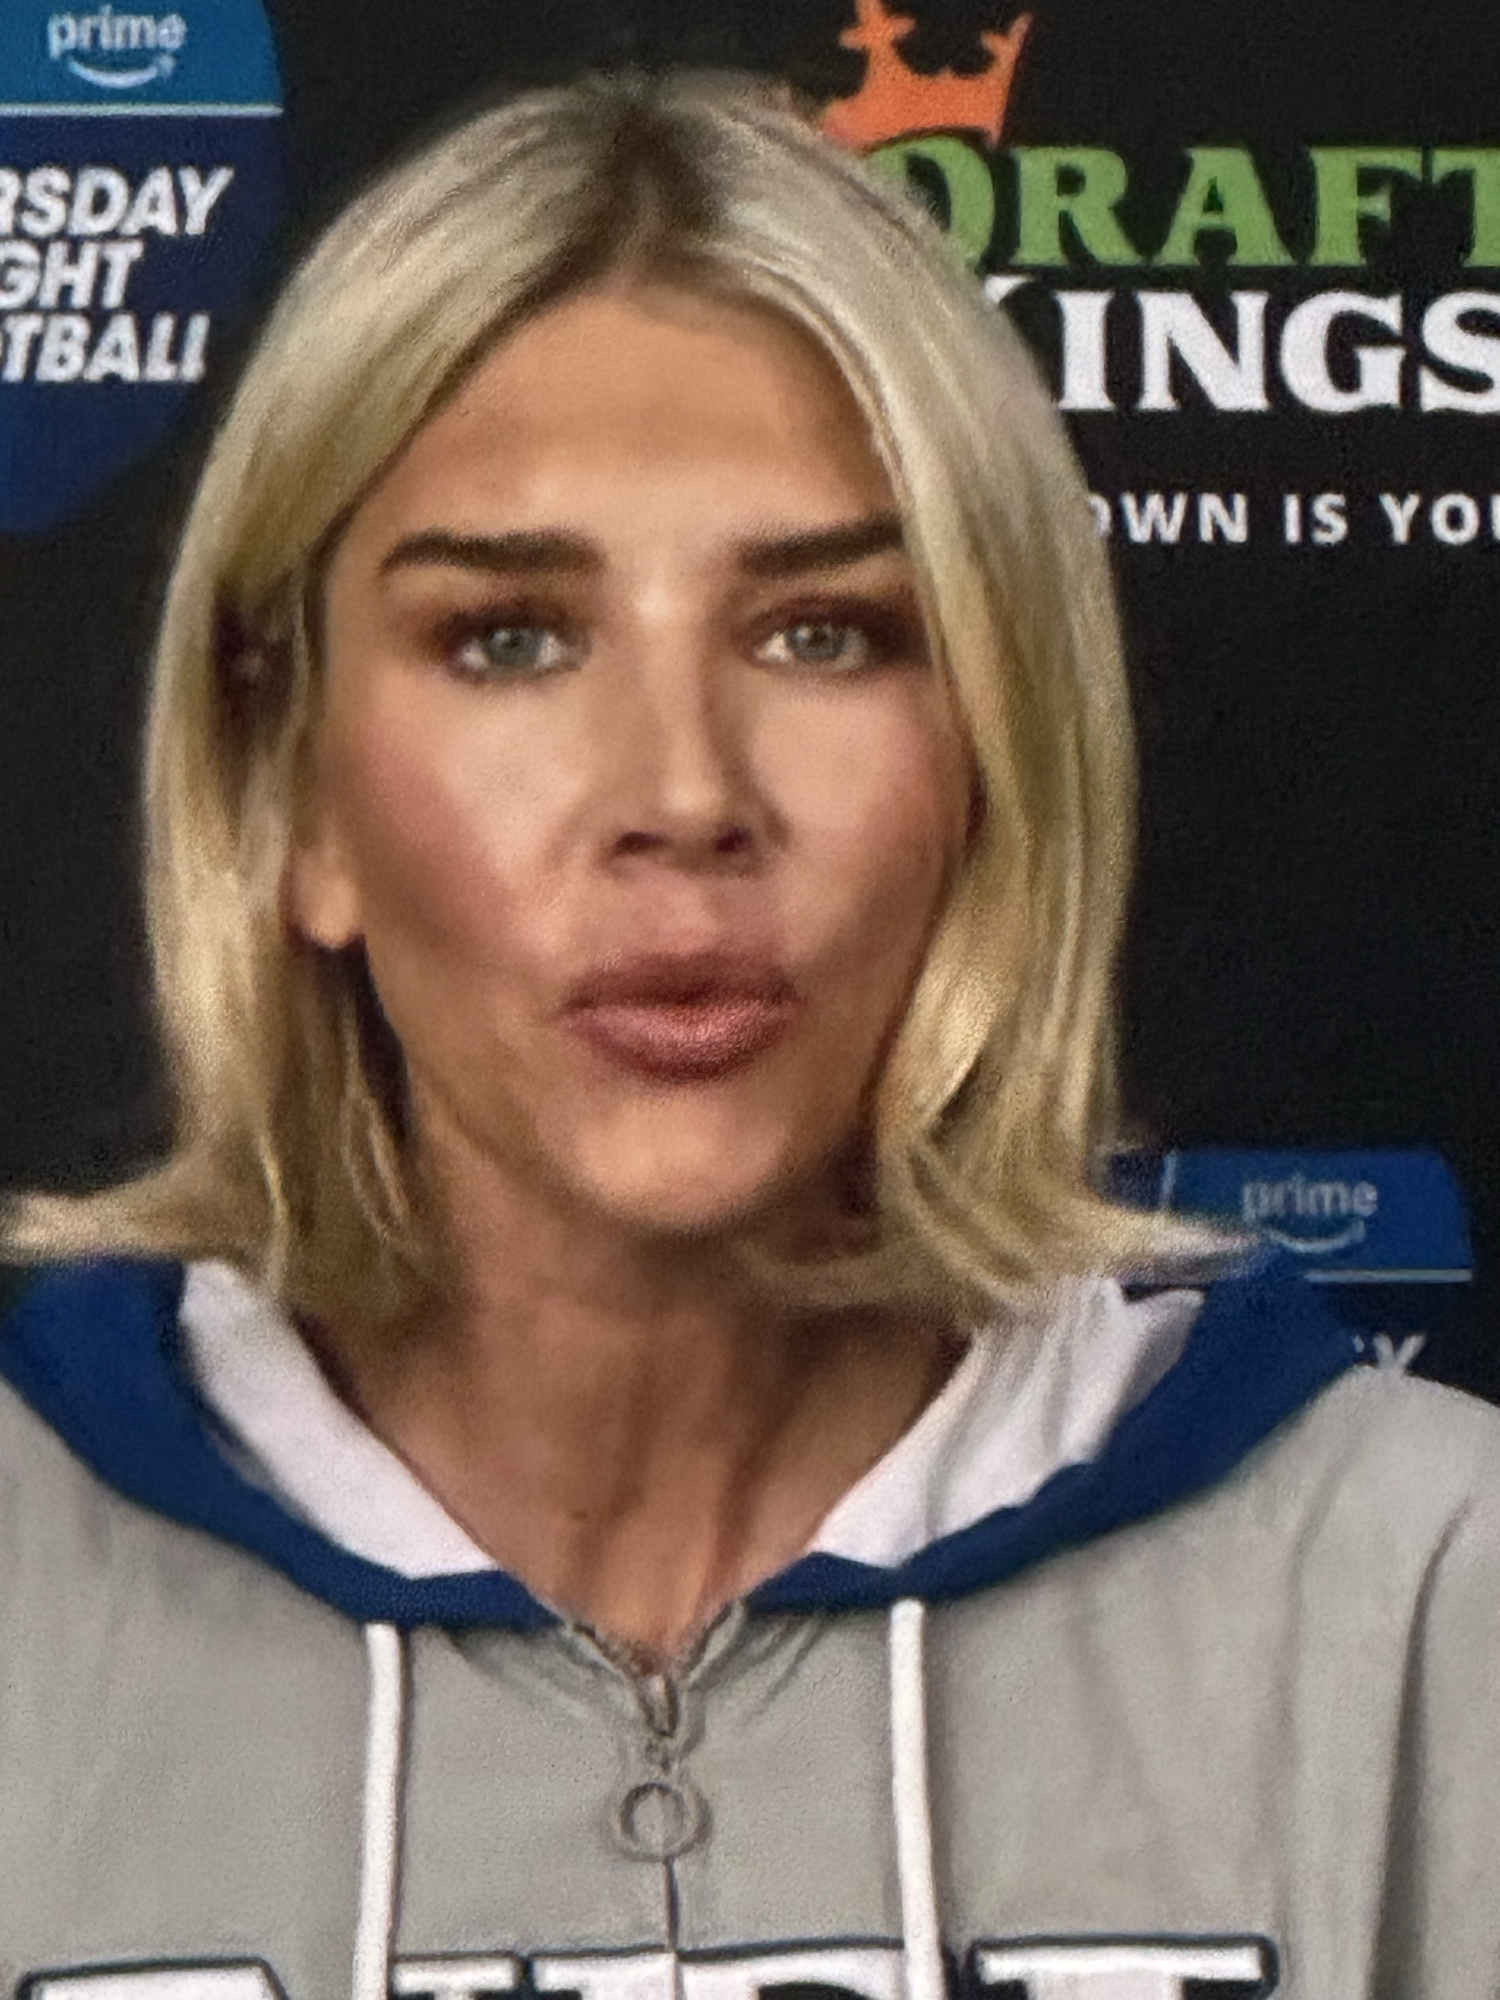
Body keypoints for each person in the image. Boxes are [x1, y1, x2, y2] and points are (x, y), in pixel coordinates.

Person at [1, 71, 1497, 2000]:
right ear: (286, 791)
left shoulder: (1427, 1584)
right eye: (511, 639)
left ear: (1000, 761)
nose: (686, 794)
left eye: (823, 634)